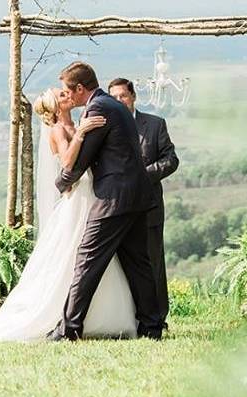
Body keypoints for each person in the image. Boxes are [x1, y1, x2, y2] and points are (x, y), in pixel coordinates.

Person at [0, 86, 138, 341]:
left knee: (96, 257)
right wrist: (82, 133)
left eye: (66, 92)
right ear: (55, 108)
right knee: (75, 257)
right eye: (62, 96)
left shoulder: (78, 121)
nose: (68, 96)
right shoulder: (57, 130)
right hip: (77, 198)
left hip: (95, 197)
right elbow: (67, 162)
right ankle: (64, 316)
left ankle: (103, 317)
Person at [47, 62, 163, 341]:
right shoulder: (115, 105)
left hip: (114, 198)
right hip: (136, 196)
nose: (67, 97)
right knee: (138, 263)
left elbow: (84, 156)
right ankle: (151, 326)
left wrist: (62, 183)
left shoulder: (98, 108)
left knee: (87, 260)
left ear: (79, 89)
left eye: (68, 91)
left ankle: (69, 329)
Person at [108, 78, 179, 326]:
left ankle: (158, 318)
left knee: (152, 264)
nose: (119, 101)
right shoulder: (106, 127)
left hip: (149, 208)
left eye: (123, 96)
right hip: (117, 210)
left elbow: (171, 160)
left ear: (133, 96)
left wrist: (143, 175)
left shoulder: (155, 124)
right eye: (114, 98)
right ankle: (129, 318)